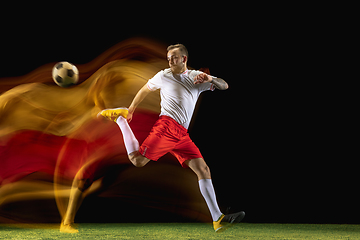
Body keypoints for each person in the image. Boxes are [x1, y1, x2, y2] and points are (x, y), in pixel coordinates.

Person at [99, 44, 245, 232]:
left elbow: (224, 85)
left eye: (174, 57)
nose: (170, 60)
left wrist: (209, 78)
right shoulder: (163, 75)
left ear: (184, 59)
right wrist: (131, 109)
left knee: (203, 169)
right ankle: (120, 120)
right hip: (167, 127)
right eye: (168, 57)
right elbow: (146, 88)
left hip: (182, 135)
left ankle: (218, 219)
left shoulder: (195, 77)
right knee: (138, 161)